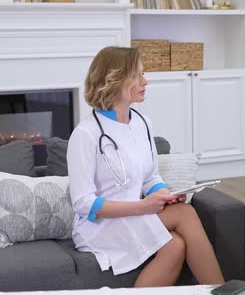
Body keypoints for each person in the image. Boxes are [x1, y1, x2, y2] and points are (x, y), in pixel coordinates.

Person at [67, 46, 224, 287]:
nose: (145, 81)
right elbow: (83, 203)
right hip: (100, 228)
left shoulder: (142, 122)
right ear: (116, 79)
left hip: (134, 215)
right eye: (138, 75)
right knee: (186, 214)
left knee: (175, 246)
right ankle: (224, 292)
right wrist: (142, 206)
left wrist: (163, 194)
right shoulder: (85, 134)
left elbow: (151, 176)